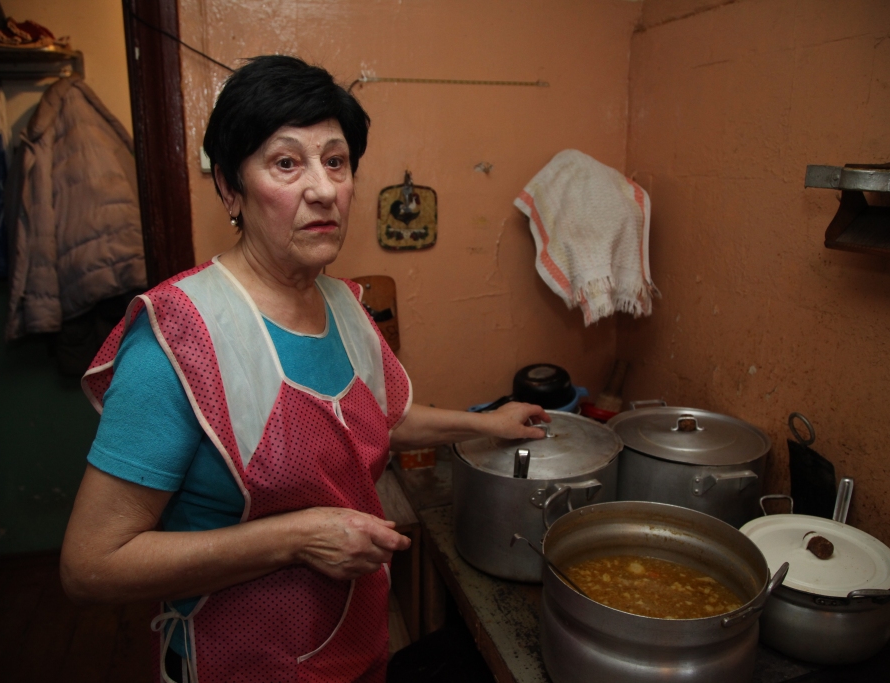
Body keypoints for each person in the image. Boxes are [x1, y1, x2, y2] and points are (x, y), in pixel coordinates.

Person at [60, 55, 549, 683]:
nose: (323, 189)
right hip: (241, 661)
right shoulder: (181, 337)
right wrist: (297, 538)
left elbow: (381, 416)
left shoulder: (343, 304)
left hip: (354, 640)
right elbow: (90, 564)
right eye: (287, 163)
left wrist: (488, 426)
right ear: (231, 189)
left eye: (336, 161)